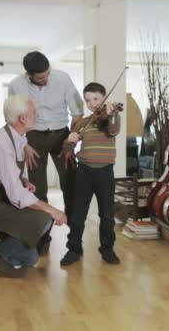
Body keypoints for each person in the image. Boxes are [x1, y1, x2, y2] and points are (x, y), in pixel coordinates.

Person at [0, 95, 68, 278]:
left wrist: (25, 181)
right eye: (33, 112)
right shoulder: (1, 144)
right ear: (22, 118)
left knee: (30, 255)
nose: (37, 114)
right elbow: (17, 196)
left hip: (1, 200)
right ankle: (1, 257)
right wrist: (54, 210)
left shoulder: (17, 138)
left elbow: (13, 174)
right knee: (43, 218)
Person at [7, 51, 83, 220]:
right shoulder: (16, 85)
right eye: (41, 78)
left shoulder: (62, 78)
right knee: (37, 187)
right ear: (29, 75)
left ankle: (74, 227)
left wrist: (71, 141)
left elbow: (77, 112)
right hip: (33, 138)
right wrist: (24, 145)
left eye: (47, 74)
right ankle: (42, 230)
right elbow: (13, 119)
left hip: (62, 136)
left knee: (70, 182)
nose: (46, 79)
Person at [60, 82, 121, 266]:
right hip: (84, 171)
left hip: (105, 172)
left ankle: (107, 249)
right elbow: (67, 148)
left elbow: (113, 130)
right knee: (78, 213)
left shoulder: (111, 117)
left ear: (104, 98)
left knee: (107, 214)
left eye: (96, 99)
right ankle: (74, 248)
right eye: (88, 100)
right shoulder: (84, 122)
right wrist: (69, 141)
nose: (92, 103)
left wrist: (111, 114)